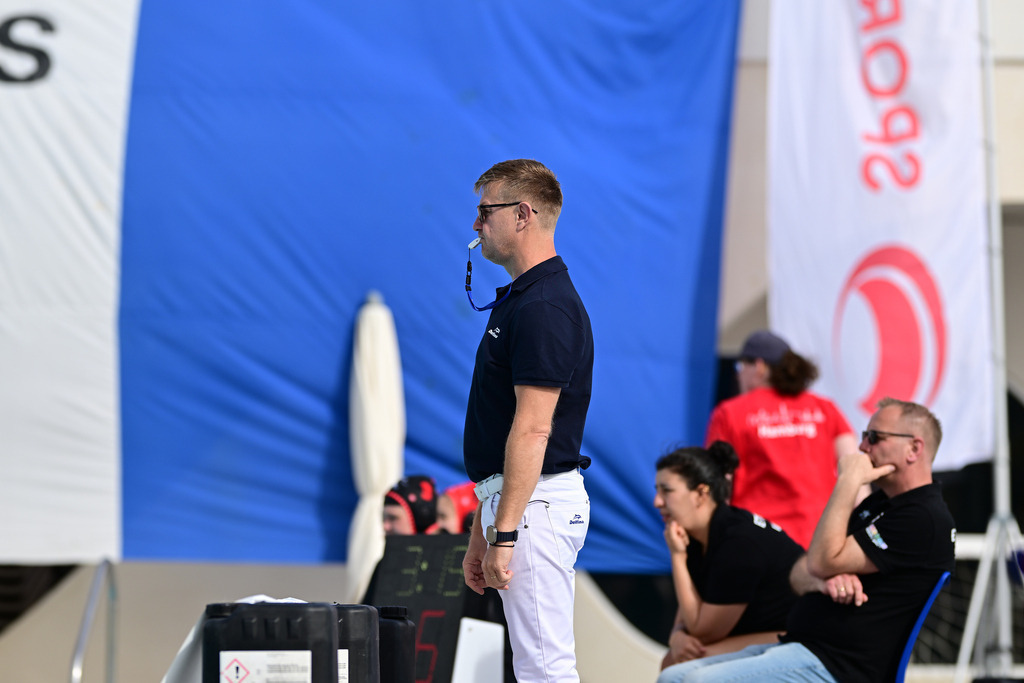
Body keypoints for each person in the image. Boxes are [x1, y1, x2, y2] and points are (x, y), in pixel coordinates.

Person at [657, 397, 956, 682]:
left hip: (841, 667)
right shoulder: (880, 506)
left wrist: (848, 481)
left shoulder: (923, 517)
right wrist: (822, 581)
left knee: (695, 680)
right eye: (864, 435)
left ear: (914, 449)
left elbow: (821, 559)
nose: (863, 447)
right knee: (674, 675)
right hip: (805, 648)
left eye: (875, 437)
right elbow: (802, 571)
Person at [461, 159, 594, 683]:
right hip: (521, 501)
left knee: (545, 667)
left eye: (484, 211)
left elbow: (535, 429)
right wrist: (484, 525)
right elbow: (503, 433)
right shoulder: (525, 298)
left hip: (535, 504)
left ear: (522, 214)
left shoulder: (544, 306)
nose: (476, 225)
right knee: (535, 664)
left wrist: (507, 532)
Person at [654, 441, 803, 669]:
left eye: (667, 491)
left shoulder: (738, 542)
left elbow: (703, 633)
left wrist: (677, 556)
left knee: (684, 665)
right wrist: (677, 636)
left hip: (806, 635)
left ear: (701, 493)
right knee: (674, 660)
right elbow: (688, 615)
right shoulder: (699, 536)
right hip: (769, 632)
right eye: (657, 491)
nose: (657, 502)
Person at [705, 329, 859, 548]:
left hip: (756, 543)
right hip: (820, 543)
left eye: (740, 367)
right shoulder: (825, 408)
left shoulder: (729, 414)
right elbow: (855, 473)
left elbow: (719, 485)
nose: (738, 375)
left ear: (759, 367)